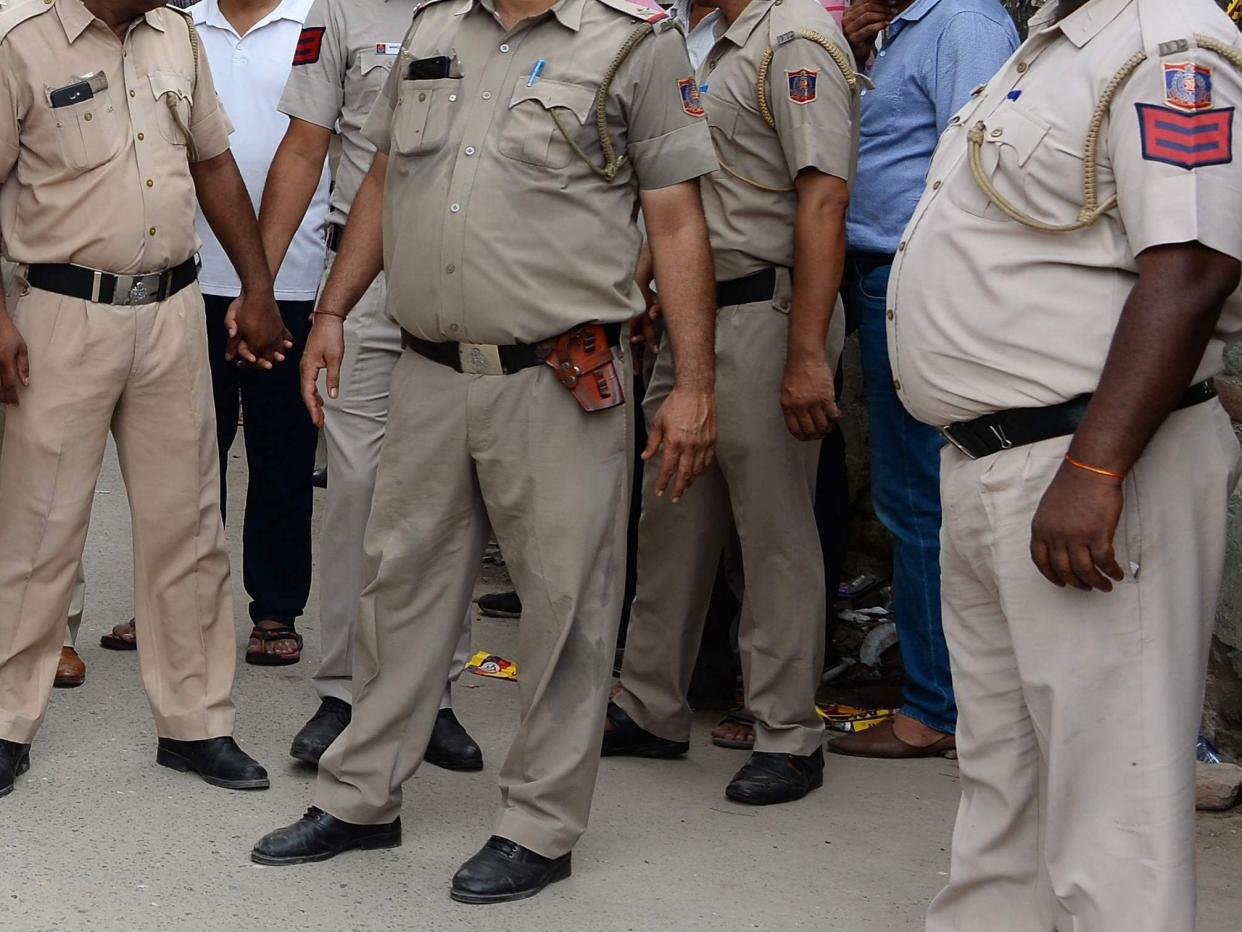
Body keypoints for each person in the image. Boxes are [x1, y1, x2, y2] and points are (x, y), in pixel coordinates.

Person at [252, 0, 719, 902]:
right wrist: (337, 310)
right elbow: (386, 178)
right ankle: (361, 797)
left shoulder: (634, 43)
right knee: (399, 584)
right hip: (428, 368)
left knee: (562, 600)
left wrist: (695, 385)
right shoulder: (433, 33)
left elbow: (676, 218)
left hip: (557, 378)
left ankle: (538, 823)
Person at [889, 0, 1242, 927]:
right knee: (1002, 778)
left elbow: (1196, 263)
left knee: (1112, 807)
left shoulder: (1171, 38)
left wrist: (1095, 471)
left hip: (1087, 463)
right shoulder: (1049, 45)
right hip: (993, 461)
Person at [0, 0, 289, 799]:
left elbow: (214, 164)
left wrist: (256, 283)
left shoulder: (174, 32)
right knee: (39, 526)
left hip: (171, 312)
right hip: (63, 311)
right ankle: (4, 722)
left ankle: (196, 725)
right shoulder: (18, 39)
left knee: (190, 526)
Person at [603, 0, 856, 805]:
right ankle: (650, 705)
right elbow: (692, 189)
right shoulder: (708, 41)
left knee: (773, 530)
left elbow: (823, 199)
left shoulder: (797, 38)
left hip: (767, 312)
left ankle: (789, 732)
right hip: (698, 312)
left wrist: (808, 353)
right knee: (672, 510)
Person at [260, 0, 482, 769]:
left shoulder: (496, 15)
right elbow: (304, 146)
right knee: (355, 487)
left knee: (445, 499)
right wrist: (263, 280)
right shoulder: (343, 11)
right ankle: (344, 692)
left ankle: (435, 695)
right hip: (365, 287)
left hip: (470, 285)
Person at [826, 0, 1018, 761]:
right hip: (884, 280)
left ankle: (937, 707)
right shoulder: (898, 30)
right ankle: (933, 684)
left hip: (919, 285)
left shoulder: (963, 24)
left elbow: (976, 173)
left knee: (920, 501)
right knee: (910, 496)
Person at [188, 0, 329, 667]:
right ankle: (180, 603)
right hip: (189, 275)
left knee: (281, 454)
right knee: (183, 455)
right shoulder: (183, 26)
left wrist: (265, 285)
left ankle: (275, 607)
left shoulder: (316, 21)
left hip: (291, 278)